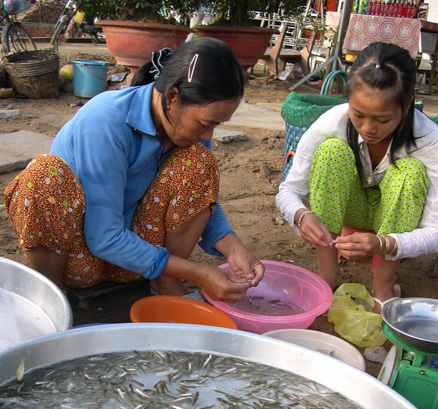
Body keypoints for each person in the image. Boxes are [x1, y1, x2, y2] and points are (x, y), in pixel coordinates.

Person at [4, 38, 264, 302]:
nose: (208, 134)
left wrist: (234, 248)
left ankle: (165, 283)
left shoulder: (190, 133)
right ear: (173, 97)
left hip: (136, 263)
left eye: (216, 125)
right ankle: (51, 298)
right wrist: (200, 273)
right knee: (44, 175)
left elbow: (201, 200)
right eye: (205, 124)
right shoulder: (104, 122)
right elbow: (104, 236)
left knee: (199, 160)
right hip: (77, 261)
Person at [276, 42, 438, 310]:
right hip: (350, 212)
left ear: (407, 107)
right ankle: (328, 272)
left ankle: (384, 281)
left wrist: (384, 243)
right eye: (358, 114)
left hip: (392, 222)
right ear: (348, 100)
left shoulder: (429, 140)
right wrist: (302, 215)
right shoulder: (331, 123)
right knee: (331, 153)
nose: (368, 128)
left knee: (411, 172)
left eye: (383, 119)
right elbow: (288, 191)